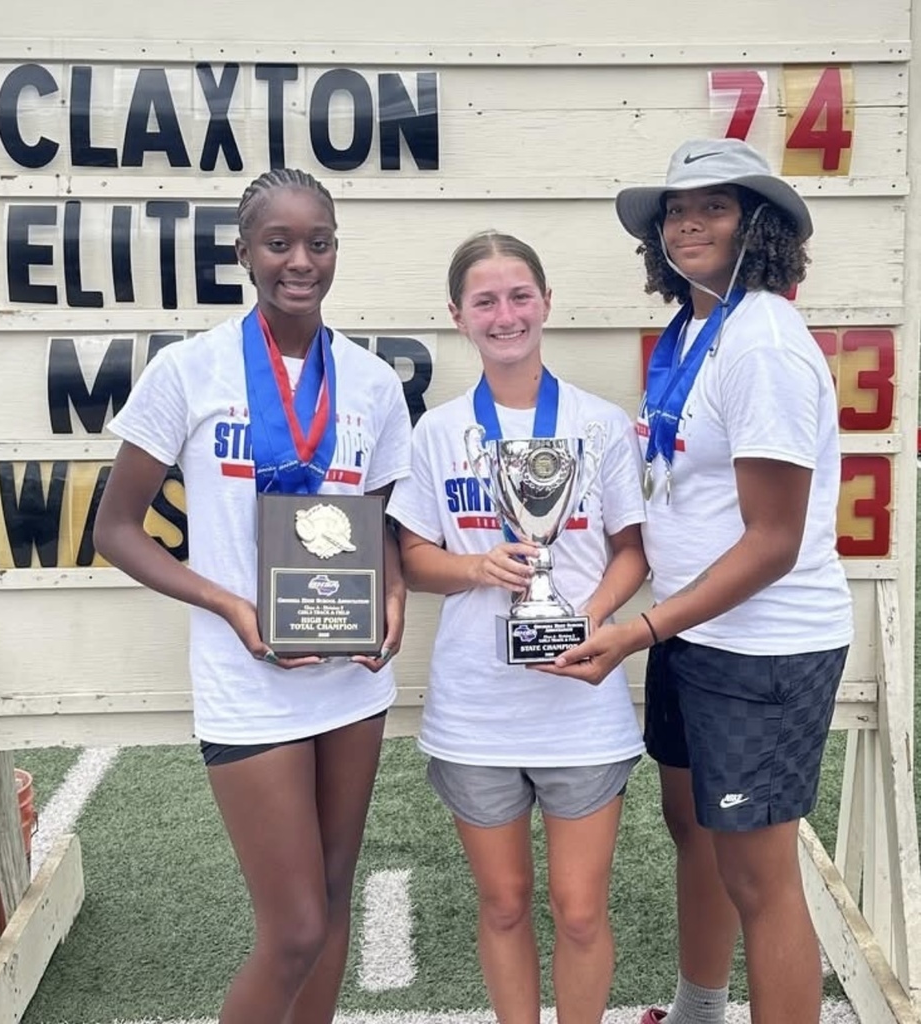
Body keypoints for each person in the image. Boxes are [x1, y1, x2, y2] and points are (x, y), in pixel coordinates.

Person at [93, 168, 411, 1024]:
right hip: (249, 680)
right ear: (245, 252)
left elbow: (378, 523)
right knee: (296, 927)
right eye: (279, 243)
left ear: (337, 249)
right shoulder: (187, 370)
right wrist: (230, 606)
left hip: (350, 678)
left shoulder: (375, 383)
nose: (300, 261)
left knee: (336, 897)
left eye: (319, 242)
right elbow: (116, 530)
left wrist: (393, 598)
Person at [551, 139, 853, 1024]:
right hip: (697, 632)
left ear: (758, 226)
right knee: (698, 837)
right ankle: (697, 1010)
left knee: (761, 879)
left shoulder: (761, 341)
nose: (687, 222)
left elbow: (773, 541)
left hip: (761, 646)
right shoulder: (693, 327)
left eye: (714, 206)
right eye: (675, 211)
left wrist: (640, 630)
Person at [387, 231, 648, 1024]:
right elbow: (413, 556)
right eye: (486, 301)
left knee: (577, 910)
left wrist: (586, 618)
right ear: (458, 316)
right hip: (477, 713)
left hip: (580, 704)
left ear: (546, 303)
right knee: (502, 905)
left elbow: (633, 553)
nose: (506, 315)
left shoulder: (600, 425)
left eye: (519, 296)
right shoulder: (436, 433)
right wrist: (477, 568)